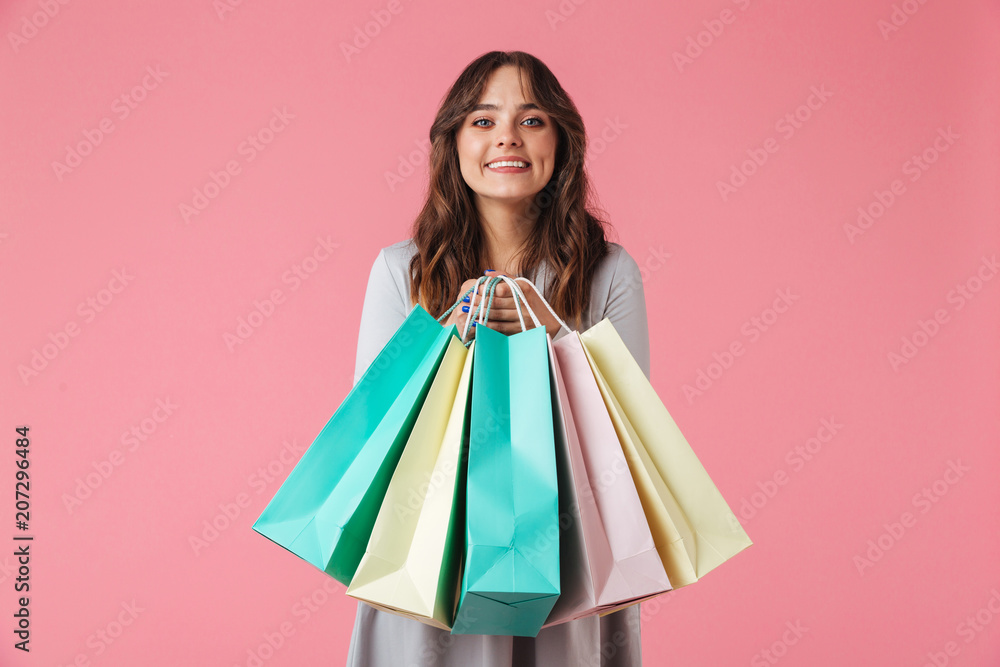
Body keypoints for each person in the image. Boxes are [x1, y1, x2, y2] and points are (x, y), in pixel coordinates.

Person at [346, 50, 650, 667]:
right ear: (452, 143)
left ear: (562, 143)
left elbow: (635, 442)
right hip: (432, 566)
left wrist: (558, 338)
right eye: (482, 121)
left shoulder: (610, 271)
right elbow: (369, 444)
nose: (507, 137)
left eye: (532, 120)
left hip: (566, 567)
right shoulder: (400, 271)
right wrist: (443, 348)